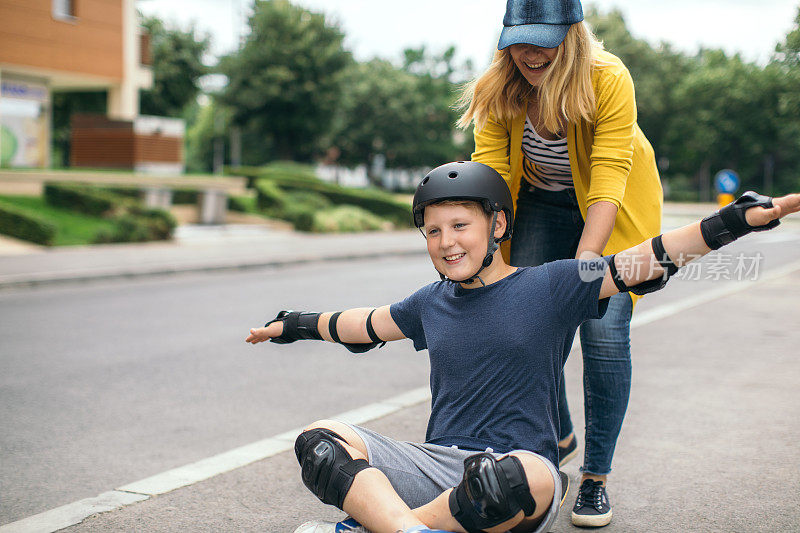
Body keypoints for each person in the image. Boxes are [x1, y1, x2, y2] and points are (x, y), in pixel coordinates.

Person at [246, 161, 798, 533]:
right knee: (321, 441)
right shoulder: (430, 303)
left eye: (460, 225)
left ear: (498, 225)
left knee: (520, 480)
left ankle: (382, 523)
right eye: (433, 231)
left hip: (518, 467)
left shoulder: (552, 285)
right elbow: (362, 325)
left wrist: (733, 222)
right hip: (438, 464)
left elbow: (646, 258)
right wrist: (295, 323)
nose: (446, 242)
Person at [457, 0, 663, 525]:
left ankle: (594, 477)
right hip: (539, 206)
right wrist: (488, 265)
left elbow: (611, 173)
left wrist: (586, 267)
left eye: (544, 37)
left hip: (611, 209)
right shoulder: (499, 87)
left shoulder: (606, 77)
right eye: (519, 37)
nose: (531, 52)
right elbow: (490, 178)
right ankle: (557, 432)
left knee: (605, 330)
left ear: (572, 32)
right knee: (520, 318)